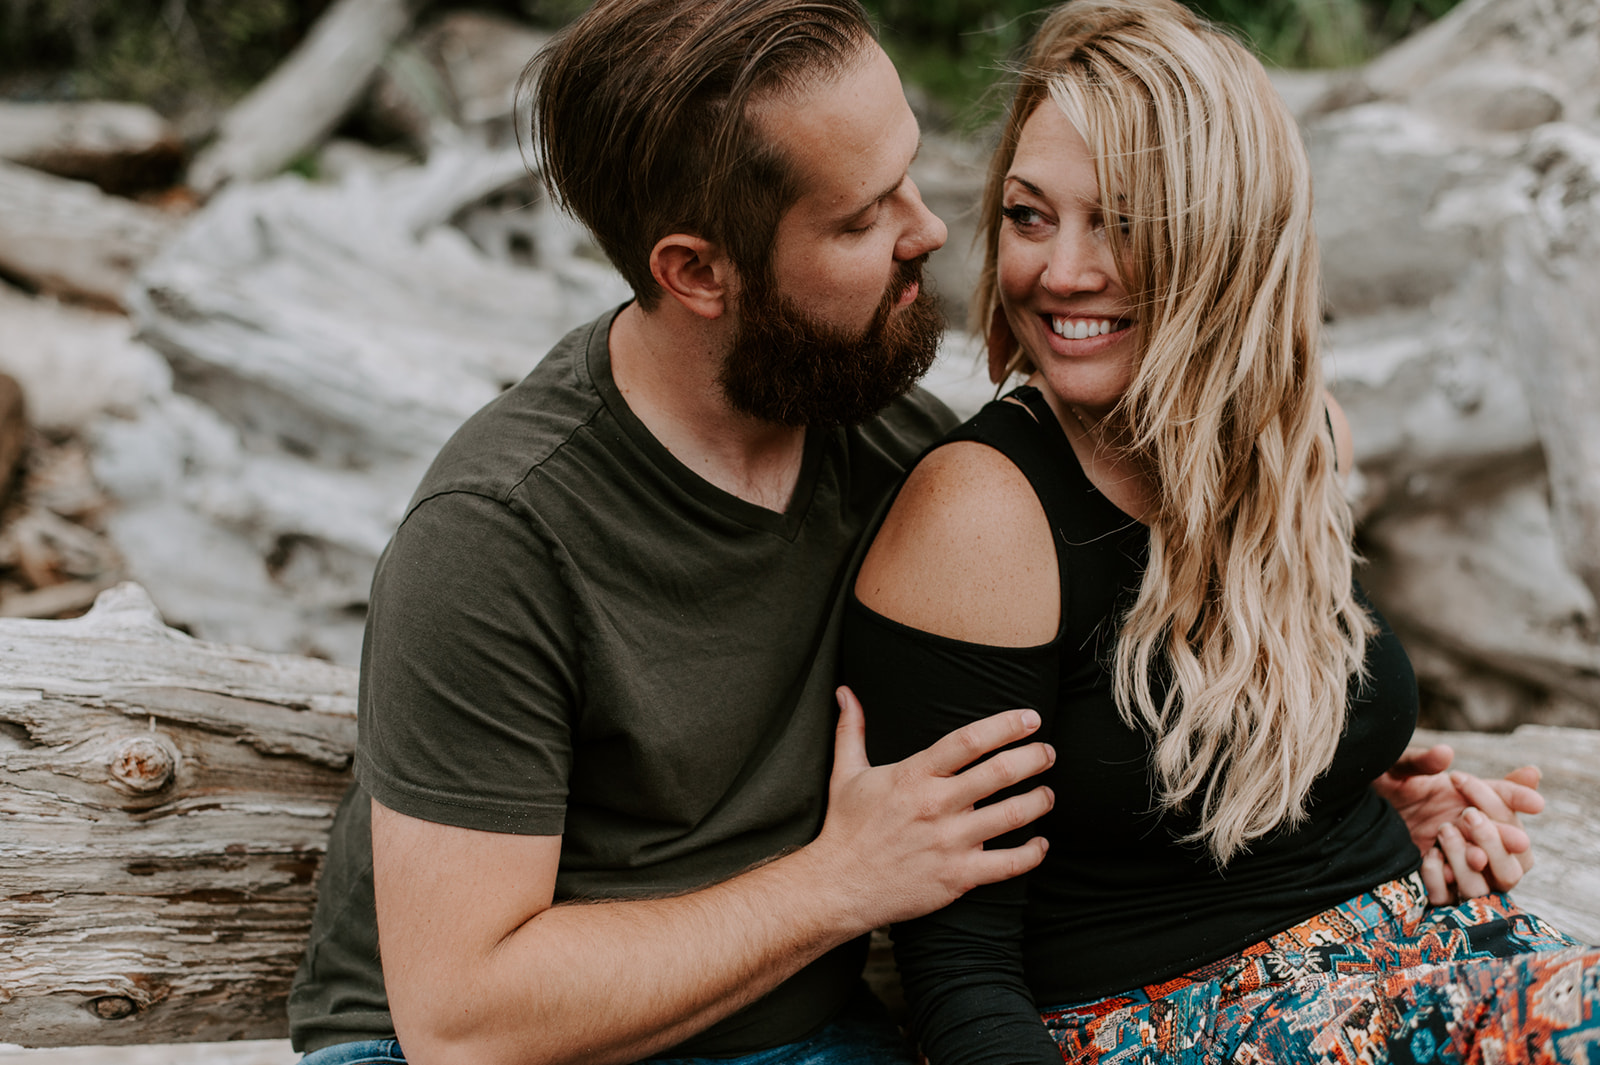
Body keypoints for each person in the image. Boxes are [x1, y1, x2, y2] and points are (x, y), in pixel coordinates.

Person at [288, 1, 1541, 1063]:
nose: (933, 231)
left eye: (915, 175)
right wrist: (841, 882)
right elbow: (466, 1019)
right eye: (863, 214)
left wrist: (1333, 780)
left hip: (807, 1026)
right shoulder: (498, 537)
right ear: (697, 272)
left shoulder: (871, 429)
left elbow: (1115, 670)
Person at [840, 1, 1597, 1063]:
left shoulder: (1293, 439)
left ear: (1230, 240)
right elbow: (960, 976)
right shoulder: (983, 515)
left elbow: (1230, 758)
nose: (1060, 272)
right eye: (1029, 215)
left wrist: (1377, 793)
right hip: (1171, 1021)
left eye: (1123, 223)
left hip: (1414, 955)